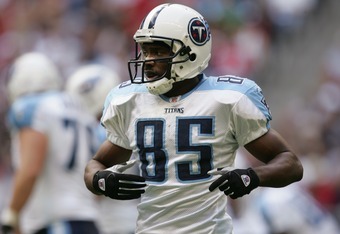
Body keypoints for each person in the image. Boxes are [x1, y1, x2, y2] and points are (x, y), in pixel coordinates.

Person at [83, 3, 304, 234]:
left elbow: (291, 164)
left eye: (158, 51)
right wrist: (101, 180)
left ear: (190, 50)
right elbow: (94, 165)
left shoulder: (226, 99)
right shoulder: (130, 101)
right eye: (145, 50)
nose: (148, 60)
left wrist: (252, 177)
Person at [1, 52, 100, 234]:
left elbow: (30, 169)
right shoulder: (80, 108)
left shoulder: (31, 107)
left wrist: (12, 214)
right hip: (88, 220)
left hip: (56, 222)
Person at [66, 63, 138, 234]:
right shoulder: (125, 123)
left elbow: (95, 191)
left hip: (110, 223)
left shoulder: (103, 131)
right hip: (126, 219)